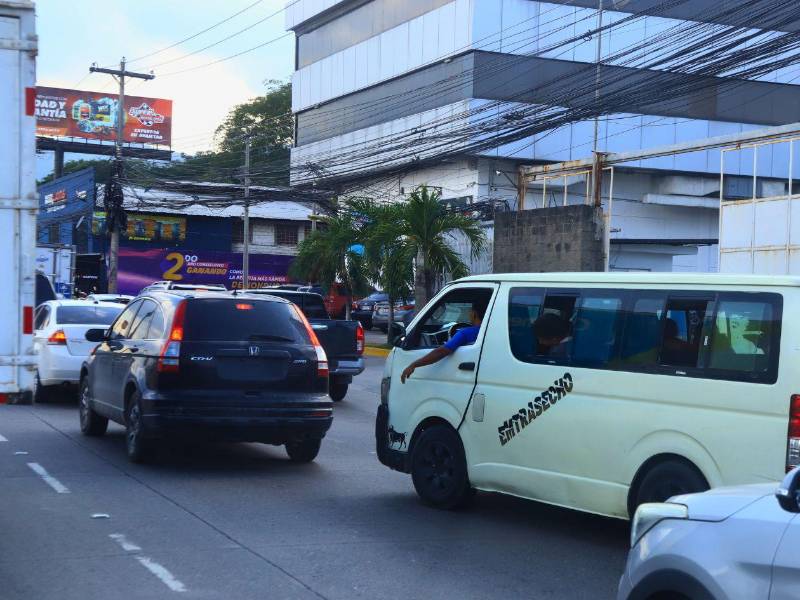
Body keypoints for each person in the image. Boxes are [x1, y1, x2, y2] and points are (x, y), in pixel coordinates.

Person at [400, 302, 487, 383]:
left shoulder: (465, 333)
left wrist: (413, 365)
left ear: (474, 314)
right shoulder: (488, 332)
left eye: (470, 311)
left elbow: (442, 351)